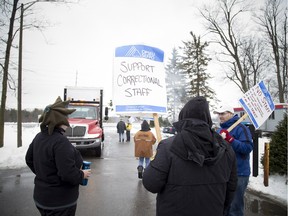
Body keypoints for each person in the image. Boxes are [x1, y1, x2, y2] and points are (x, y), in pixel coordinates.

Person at [142, 96, 237, 216]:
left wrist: (155, 163)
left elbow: (151, 183)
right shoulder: (226, 148)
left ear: (183, 118)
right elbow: (230, 191)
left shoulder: (168, 147)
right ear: (208, 119)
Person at [25, 96, 91, 216]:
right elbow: (67, 173)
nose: (68, 120)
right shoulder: (60, 142)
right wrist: (82, 175)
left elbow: (29, 159)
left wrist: (44, 175)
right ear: (59, 120)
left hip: (41, 199)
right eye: (66, 117)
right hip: (59, 204)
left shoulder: (39, 137)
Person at [213, 105, 254, 216]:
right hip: (223, 173)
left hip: (239, 173)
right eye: (219, 114)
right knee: (224, 206)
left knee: (234, 209)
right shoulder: (220, 130)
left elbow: (248, 148)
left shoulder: (241, 128)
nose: (220, 116)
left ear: (231, 113)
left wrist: (230, 139)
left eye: (223, 113)